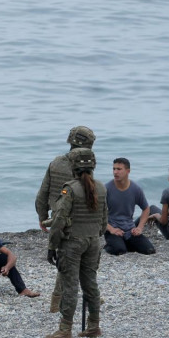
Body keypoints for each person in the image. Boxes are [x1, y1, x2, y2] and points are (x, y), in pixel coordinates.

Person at [45, 148, 107, 338]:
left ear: (73, 167)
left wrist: (52, 246)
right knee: (91, 284)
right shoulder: (102, 188)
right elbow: (104, 222)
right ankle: (93, 326)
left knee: (70, 285)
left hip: (72, 243)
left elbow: (59, 220)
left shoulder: (69, 189)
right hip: (93, 241)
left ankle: (65, 330)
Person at [35, 126, 97, 312]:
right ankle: (60, 301)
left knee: (65, 258)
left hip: (56, 217)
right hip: (77, 219)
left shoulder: (55, 163)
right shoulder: (84, 167)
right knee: (74, 260)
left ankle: (64, 299)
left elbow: (42, 193)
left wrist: (42, 216)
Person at [104, 157, 155, 255]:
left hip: (130, 229)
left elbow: (146, 209)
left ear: (128, 171)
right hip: (113, 229)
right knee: (119, 250)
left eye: (119, 169)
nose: (115, 172)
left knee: (149, 250)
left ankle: (124, 243)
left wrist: (139, 228)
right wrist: (111, 229)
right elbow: (96, 212)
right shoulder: (107, 188)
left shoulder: (135, 189)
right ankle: (111, 245)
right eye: (114, 169)